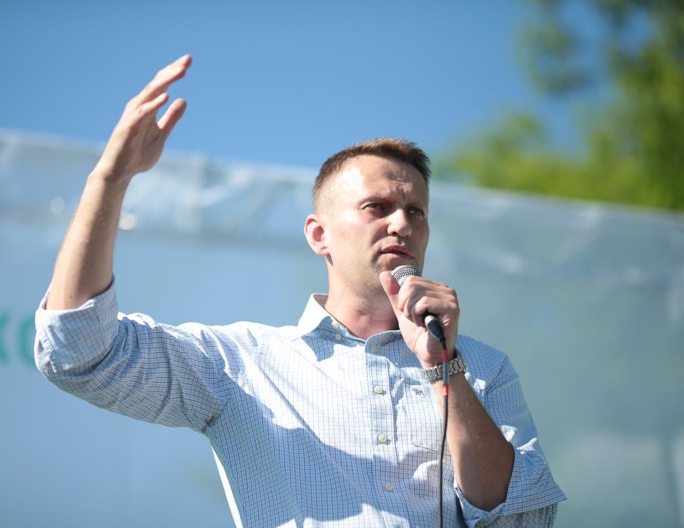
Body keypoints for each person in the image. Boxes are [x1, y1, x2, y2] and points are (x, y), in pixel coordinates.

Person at [35, 54, 565, 527]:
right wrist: (109, 181)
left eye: (416, 211)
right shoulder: (241, 363)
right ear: (319, 235)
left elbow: (524, 521)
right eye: (377, 208)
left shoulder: (482, 368)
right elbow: (80, 354)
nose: (402, 224)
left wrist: (444, 369)